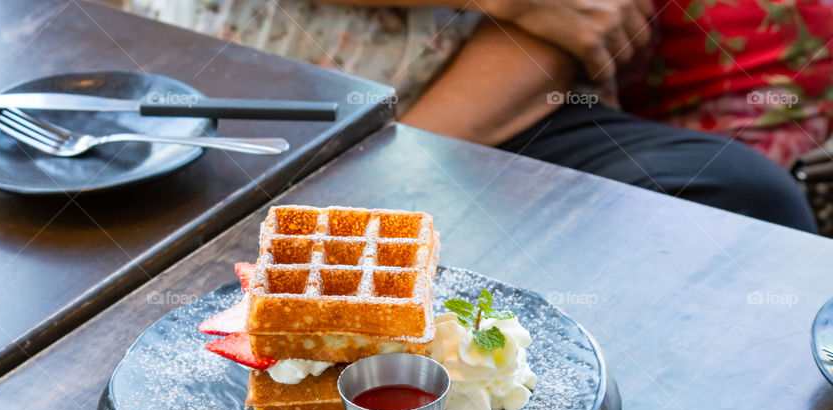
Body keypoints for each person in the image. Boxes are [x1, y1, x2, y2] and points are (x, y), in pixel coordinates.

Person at [128, 0, 818, 232]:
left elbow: (584, 15)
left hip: (465, 108)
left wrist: (388, 188)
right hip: (190, 82)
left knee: (737, 199)